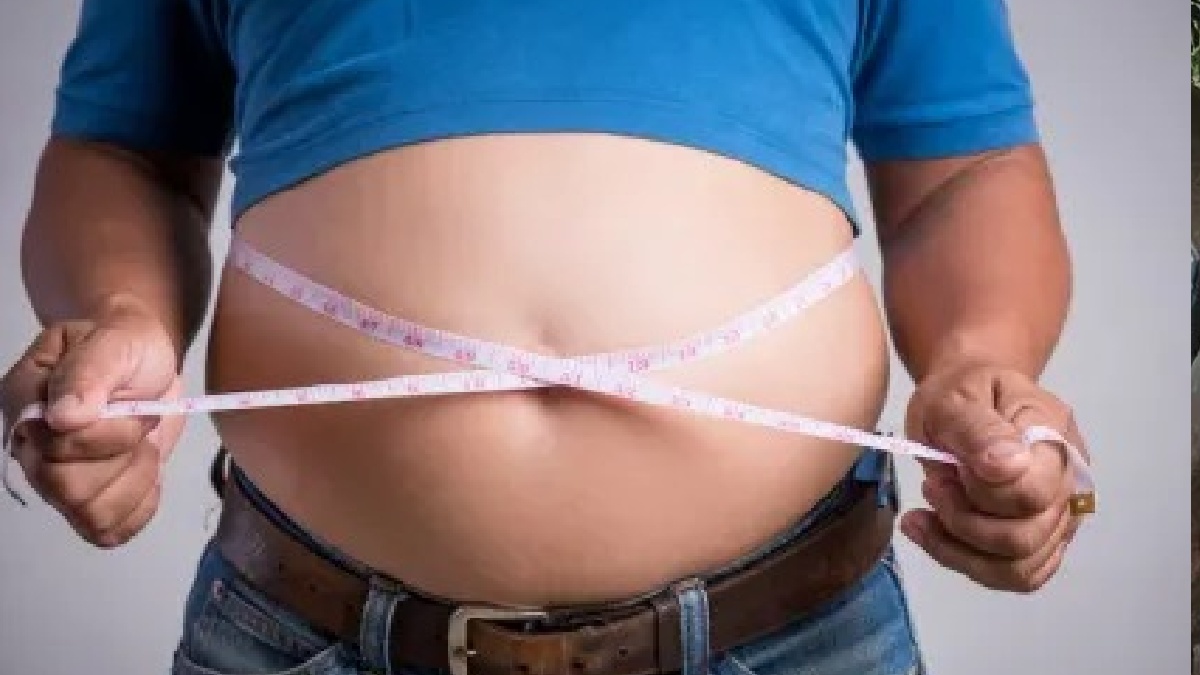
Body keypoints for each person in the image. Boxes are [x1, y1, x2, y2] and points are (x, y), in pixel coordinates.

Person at [0, 1, 1092, 674]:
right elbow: (124, 150)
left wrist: (978, 355)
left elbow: (965, 168)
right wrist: (120, 312)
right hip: (305, 633)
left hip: (794, 636)